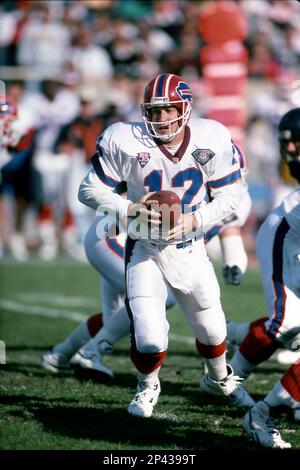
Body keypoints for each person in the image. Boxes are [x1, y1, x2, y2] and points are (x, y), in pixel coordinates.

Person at [78, 73, 254, 418]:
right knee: (149, 337)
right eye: (154, 111)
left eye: (169, 109)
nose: (162, 118)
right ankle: (147, 386)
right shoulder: (125, 138)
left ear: (185, 108)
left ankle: (219, 378)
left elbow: (231, 195)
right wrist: (128, 207)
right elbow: (87, 190)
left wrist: (196, 219)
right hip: (144, 246)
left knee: (213, 329)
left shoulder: (211, 136)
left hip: (191, 246)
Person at [41, 185, 176, 380]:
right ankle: (90, 352)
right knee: (160, 297)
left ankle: (58, 355)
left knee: (113, 319)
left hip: (113, 234)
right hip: (114, 236)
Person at [225, 107, 300, 447]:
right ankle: (236, 385)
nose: (292, 151)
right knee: (286, 323)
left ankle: (230, 338)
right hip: (286, 233)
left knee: (291, 328)